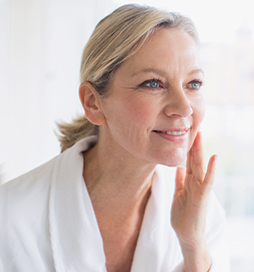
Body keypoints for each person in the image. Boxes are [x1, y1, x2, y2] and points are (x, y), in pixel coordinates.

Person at [0, 4, 228, 272]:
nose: (184, 107)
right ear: (93, 103)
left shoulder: (202, 215)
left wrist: (193, 247)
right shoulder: (10, 219)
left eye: (194, 84)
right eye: (153, 83)